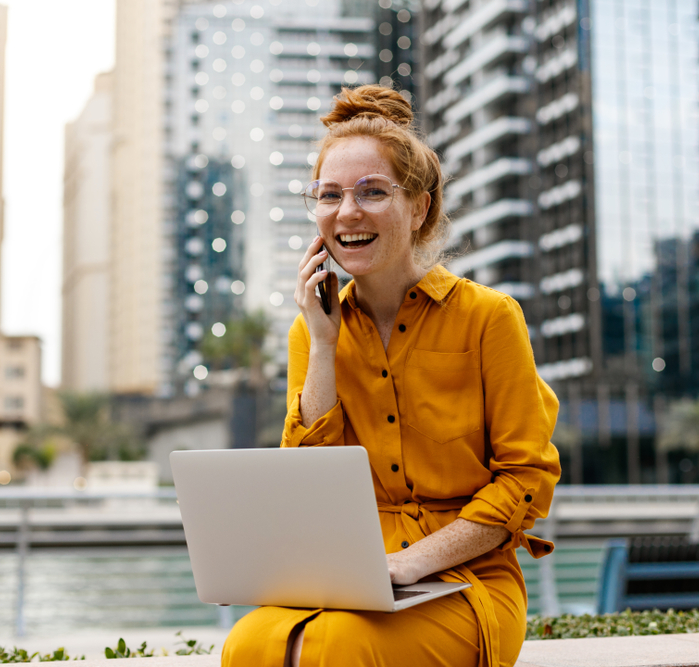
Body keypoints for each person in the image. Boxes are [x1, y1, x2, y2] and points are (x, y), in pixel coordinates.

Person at [221, 85, 561, 667]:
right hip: (349, 582)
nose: (347, 213)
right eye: (329, 195)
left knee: (338, 650)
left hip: (466, 581)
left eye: (372, 192)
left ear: (419, 206)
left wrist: (409, 563)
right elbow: (306, 486)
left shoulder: (489, 318)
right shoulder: (311, 332)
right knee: (247, 646)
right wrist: (324, 345)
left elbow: (526, 480)